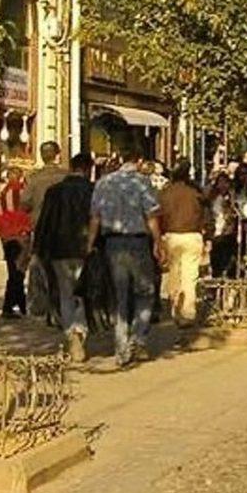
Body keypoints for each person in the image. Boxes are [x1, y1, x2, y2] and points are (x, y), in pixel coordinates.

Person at [89, 147, 163, 367]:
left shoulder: (103, 183)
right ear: (139, 161)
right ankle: (138, 339)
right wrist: (158, 242)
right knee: (144, 291)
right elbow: (151, 215)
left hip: (112, 243)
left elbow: (95, 217)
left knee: (120, 295)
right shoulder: (142, 182)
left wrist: (89, 245)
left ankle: (121, 347)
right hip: (138, 241)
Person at [35, 154, 95, 362]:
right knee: (83, 293)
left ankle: (71, 334)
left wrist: (38, 250)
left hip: (59, 250)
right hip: (85, 250)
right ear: (88, 169)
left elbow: (45, 222)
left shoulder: (54, 192)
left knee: (65, 293)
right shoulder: (92, 191)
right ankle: (80, 331)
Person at [21, 141, 66, 320]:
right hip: (62, 228)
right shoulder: (65, 176)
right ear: (58, 155)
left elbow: (24, 203)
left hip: (40, 228)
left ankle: (41, 305)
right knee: (60, 269)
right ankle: (60, 306)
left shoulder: (34, 178)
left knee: (39, 267)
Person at [158, 159, 206, 328]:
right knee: (190, 275)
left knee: (174, 274)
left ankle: (175, 308)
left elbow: (159, 214)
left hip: (172, 235)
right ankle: (188, 312)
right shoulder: (195, 191)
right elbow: (204, 211)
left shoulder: (167, 192)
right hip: (193, 235)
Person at [0, 164, 32, 318]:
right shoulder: (23, 193)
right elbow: (27, 214)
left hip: (6, 238)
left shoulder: (0, 195)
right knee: (19, 272)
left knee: (13, 270)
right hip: (21, 237)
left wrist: (2, 233)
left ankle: (20, 304)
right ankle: (9, 306)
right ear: (21, 177)